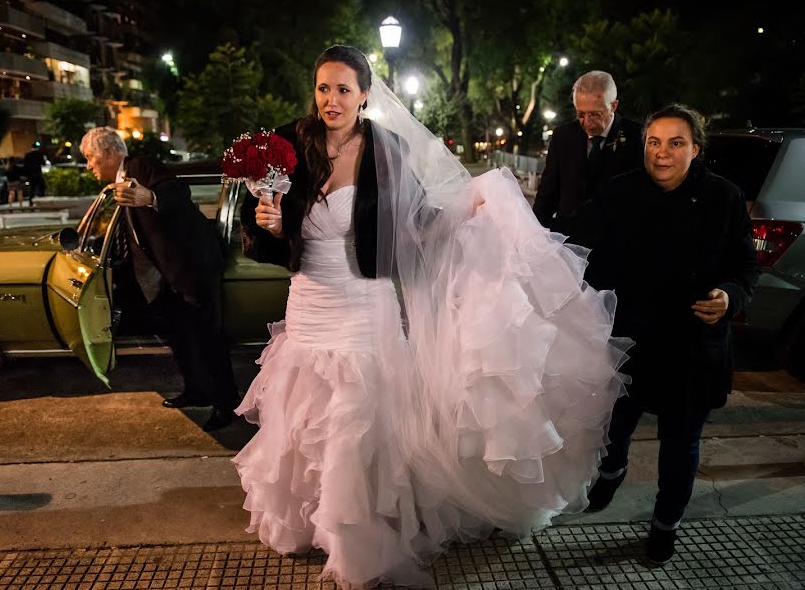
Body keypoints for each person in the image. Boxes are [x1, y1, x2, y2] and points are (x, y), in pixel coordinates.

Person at [233, 45, 631, 588]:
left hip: (363, 305)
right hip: (307, 302)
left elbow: (416, 222)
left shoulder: (386, 150)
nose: (331, 100)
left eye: (344, 89)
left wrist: (469, 207)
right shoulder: (288, 145)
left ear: (365, 95)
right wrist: (271, 226)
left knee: (353, 425)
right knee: (305, 416)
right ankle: (308, 521)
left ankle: (354, 540)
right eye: (324, 88)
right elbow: (262, 238)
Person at [562, 104, 759, 565]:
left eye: (675, 143)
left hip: (692, 346)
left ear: (696, 149)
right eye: (654, 141)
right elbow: (572, 241)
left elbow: (746, 267)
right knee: (616, 422)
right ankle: (612, 470)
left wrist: (730, 296)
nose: (662, 153)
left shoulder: (724, 198)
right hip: (631, 338)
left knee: (681, 442)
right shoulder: (619, 192)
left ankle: (664, 525)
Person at [79, 127, 239, 431]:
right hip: (164, 275)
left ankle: (225, 404)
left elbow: (178, 192)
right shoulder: (118, 186)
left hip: (194, 266)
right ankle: (197, 389)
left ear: (110, 153)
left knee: (209, 339)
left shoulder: (141, 167)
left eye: (90, 158)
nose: (88, 165)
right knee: (181, 338)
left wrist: (148, 195)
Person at [533, 71, 643, 229]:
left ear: (613, 106)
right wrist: (534, 235)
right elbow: (547, 194)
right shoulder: (563, 136)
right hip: (568, 239)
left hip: (616, 241)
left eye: (595, 114)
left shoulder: (637, 137)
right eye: (580, 114)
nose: (587, 122)